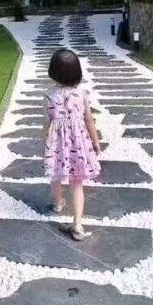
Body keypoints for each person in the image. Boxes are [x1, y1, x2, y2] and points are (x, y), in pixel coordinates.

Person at [43, 48, 102, 241]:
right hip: (78, 144)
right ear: (77, 71)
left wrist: (45, 140)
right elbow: (89, 119)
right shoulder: (81, 93)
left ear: (53, 72)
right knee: (77, 182)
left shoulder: (50, 95)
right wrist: (95, 140)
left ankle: (58, 203)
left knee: (55, 174)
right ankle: (77, 225)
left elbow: (47, 122)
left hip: (57, 144)